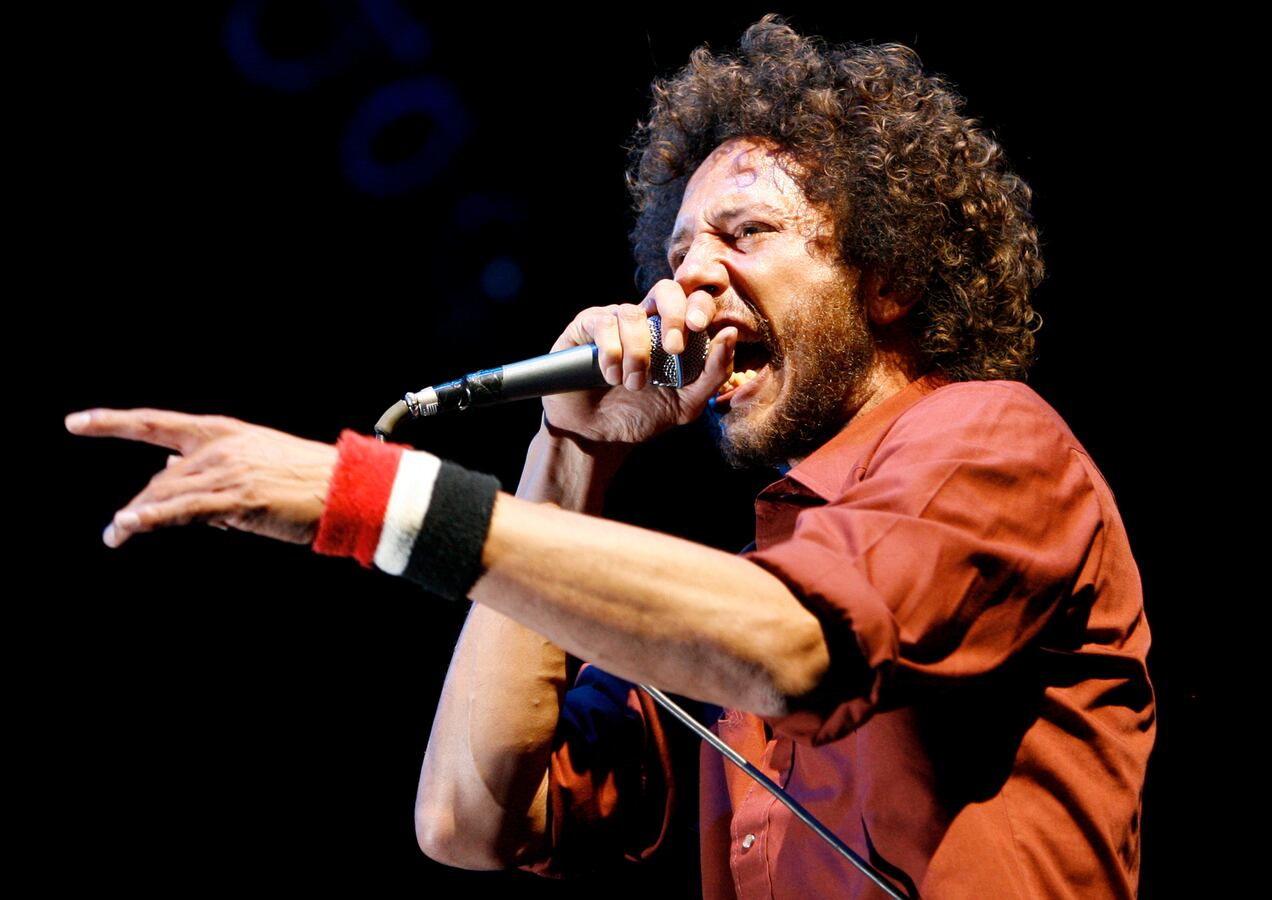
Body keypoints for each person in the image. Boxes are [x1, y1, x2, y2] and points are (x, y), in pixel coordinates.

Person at [66, 16, 1153, 899]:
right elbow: (468, 818)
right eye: (678, 254)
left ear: (890, 278)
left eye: (745, 235)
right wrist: (569, 450)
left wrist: (363, 494)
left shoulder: (993, 442)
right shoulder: (743, 575)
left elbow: (786, 649)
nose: (687, 285)